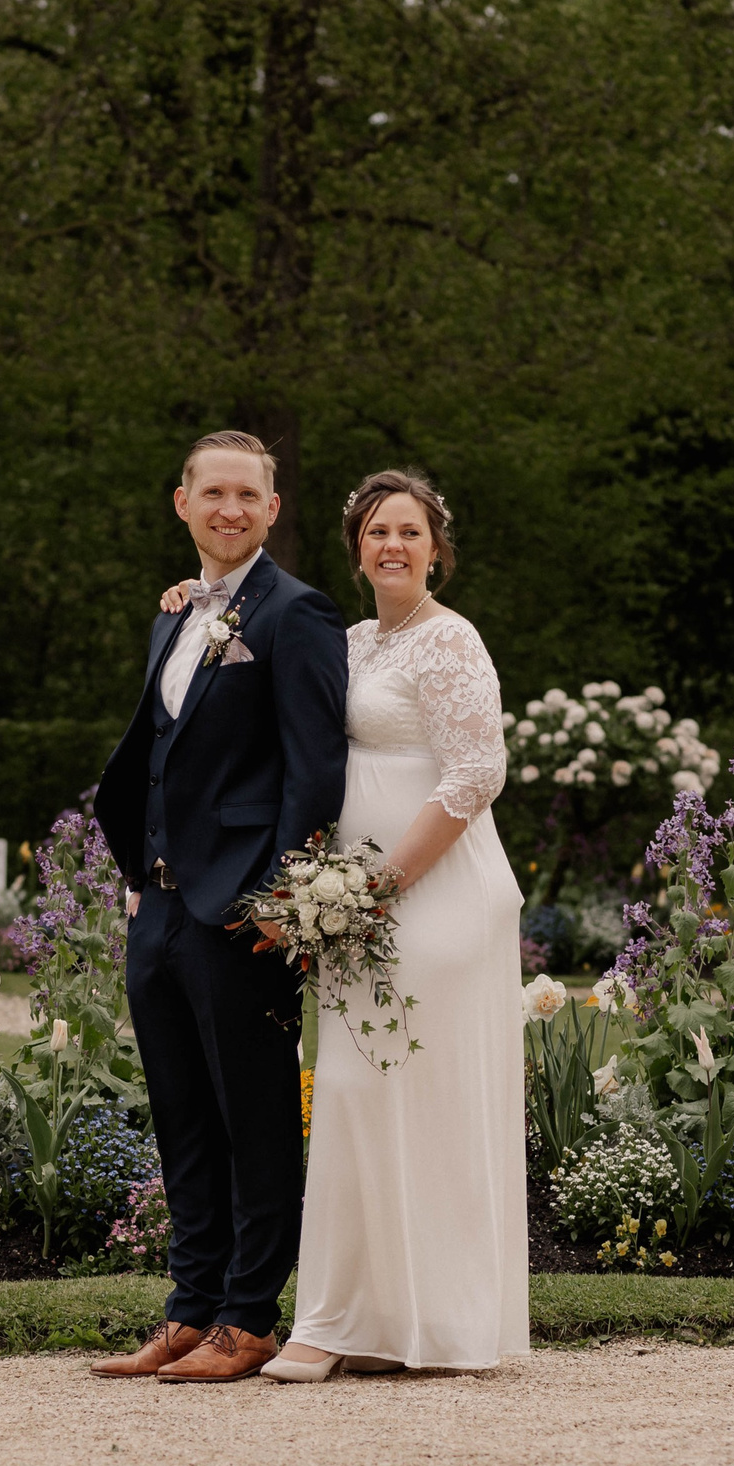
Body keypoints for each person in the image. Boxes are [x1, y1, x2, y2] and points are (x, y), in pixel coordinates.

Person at [158, 468, 528, 1380]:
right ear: (356, 549)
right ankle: (351, 1321)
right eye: (376, 533)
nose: (392, 546)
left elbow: (476, 773)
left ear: (436, 548)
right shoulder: (355, 638)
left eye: (409, 532)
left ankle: (433, 1323)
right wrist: (191, 599)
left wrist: (380, 889)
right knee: (359, 1101)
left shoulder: (451, 641)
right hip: (350, 906)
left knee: (415, 1098)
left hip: (430, 896)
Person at [89, 430, 349, 1384]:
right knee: (182, 1116)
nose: (230, 508)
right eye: (214, 493)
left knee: (256, 1116)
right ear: (182, 502)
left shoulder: (298, 612)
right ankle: (190, 1309)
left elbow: (316, 771)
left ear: (274, 509)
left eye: (249, 493)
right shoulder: (175, 613)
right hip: (155, 908)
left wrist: (277, 901)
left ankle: (250, 1314)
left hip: (241, 909)